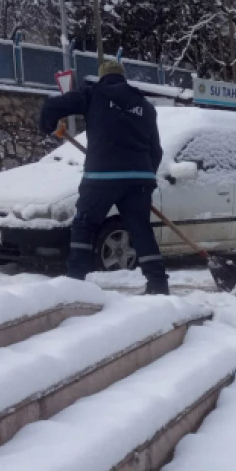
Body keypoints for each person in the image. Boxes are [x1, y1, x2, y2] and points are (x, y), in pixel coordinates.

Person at [39, 60, 168, 295]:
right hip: (138, 178)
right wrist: (146, 177)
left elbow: (51, 107)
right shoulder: (145, 106)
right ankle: (158, 284)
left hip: (101, 177)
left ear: (102, 77)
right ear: (123, 77)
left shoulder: (93, 94)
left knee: (85, 225)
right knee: (140, 230)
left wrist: (48, 125)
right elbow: (155, 151)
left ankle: (75, 283)